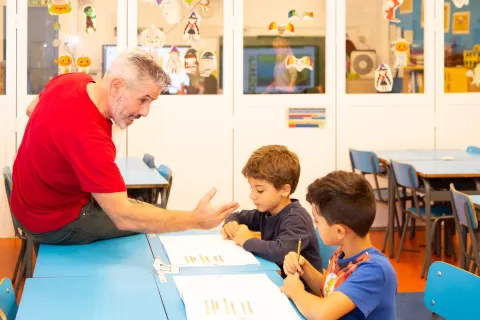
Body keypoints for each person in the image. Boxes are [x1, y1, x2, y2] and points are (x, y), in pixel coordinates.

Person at [10, 48, 239, 245]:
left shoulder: (72, 81)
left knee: (142, 208)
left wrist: (60, 156)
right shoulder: (90, 137)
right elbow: (124, 217)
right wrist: (196, 220)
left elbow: (32, 109)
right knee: (140, 223)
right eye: (143, 100)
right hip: (49, 223)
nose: (145, 112)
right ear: (117, 86)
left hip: (24, 205)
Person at [281, 171, 397, 320]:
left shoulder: (375, 271)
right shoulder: (343, 253)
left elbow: (322, 314)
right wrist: (305, 269)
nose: (316, 226)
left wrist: (295, 291)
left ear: (340, 231)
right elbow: (331, 289)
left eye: (317, 221)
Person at [221, 145, 322, 281]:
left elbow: (281, 252)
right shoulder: (267, 210)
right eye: (252, 188)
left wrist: (247, 240)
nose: (252, 195)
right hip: (278, 281)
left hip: (302, 293)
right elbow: (238, 216)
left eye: (260, 190)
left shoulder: (296, 218)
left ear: (284, 190)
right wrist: (231, 223)